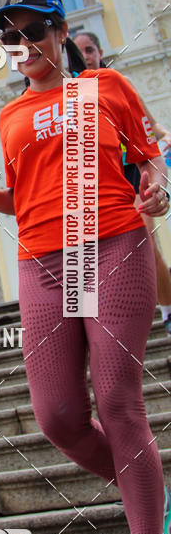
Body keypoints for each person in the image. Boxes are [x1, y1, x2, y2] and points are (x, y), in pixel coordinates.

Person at [0, 0, 171, 534]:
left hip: (113, 244)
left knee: (119, 402)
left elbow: (149, 156)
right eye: (10, 38)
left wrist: (158, 184)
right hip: (41, 264)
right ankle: (151, 505)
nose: (24, 47)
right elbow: (24, 200)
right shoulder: (11, 116)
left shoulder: (109, 86)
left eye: (34, 32)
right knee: (58, 418)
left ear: (62, 31)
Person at [76, 32, 171, 335]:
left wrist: (165, 137)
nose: (86, 56)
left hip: (134, 176)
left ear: (100, 51)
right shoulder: (69, 94)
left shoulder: (116, 84)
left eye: (90, 49)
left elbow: (151, 126)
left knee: (145, 240)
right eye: (80, 52)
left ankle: (167, 311)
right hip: (100, 184)